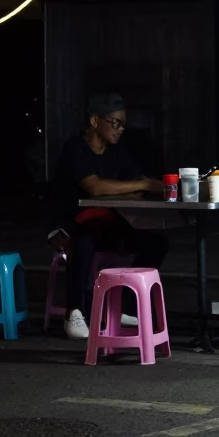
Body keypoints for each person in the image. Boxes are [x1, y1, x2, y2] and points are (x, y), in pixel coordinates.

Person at [49, 93, 169, 339]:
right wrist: (142, 186)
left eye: (123, 124)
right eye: (116, 122)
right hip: (66, 223)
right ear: (95, 121)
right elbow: (95, 187)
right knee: (82, 241)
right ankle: (74, 313)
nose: (121, 129)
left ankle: (119, 307)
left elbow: (142, 181)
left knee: (156, 243)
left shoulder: (117, 152)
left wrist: (178, 187)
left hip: (102, 223)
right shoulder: (75, 149)